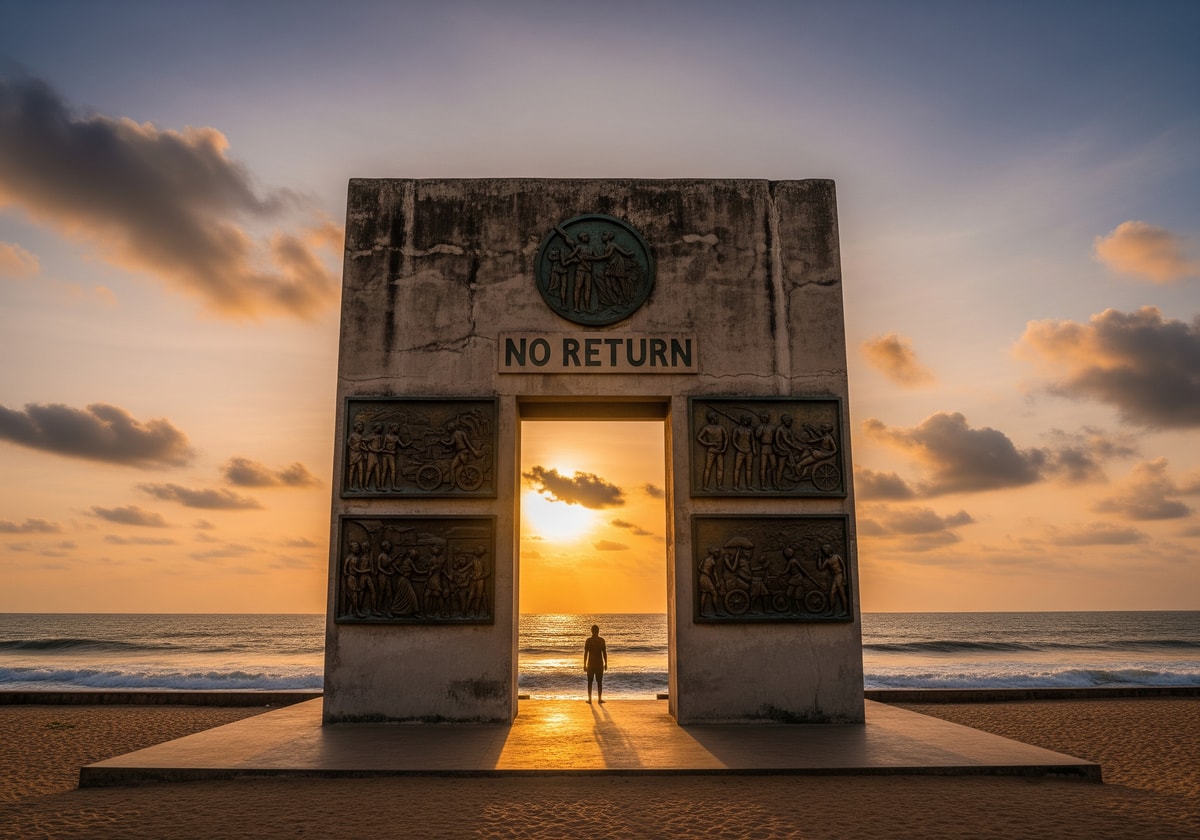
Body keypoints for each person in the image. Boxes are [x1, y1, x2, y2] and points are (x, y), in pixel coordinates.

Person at [583, 624, 607, 703]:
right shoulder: (601, 640)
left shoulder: (589, 640)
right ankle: (599, 699)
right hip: (599, 664)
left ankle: (590, 700)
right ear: (598, 631)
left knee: (590, 682)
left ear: (592, 631)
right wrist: (606, 663)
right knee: (599, 682)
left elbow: (586, 653)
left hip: (591, 664)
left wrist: (584, 664)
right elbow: (604, 653)